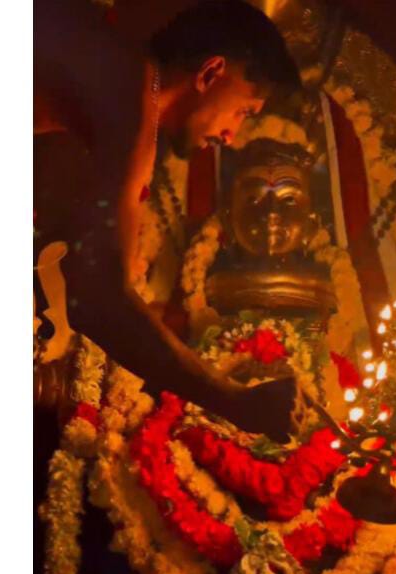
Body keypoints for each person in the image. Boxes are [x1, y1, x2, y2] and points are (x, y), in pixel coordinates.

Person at [34, 0, 303, 442]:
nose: (231, 135)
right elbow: (98, 301)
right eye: (244, 111)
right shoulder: (131, 94)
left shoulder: (113, 83)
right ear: (211, 73)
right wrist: (238, 401)